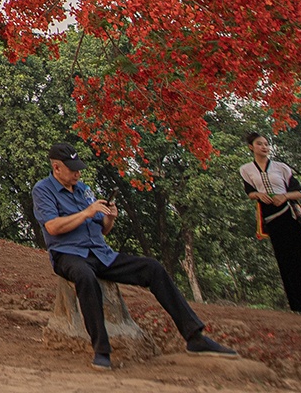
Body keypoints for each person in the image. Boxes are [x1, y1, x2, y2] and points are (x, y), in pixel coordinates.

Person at [34, 142, 237, 369]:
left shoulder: (83, 189)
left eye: (79, 168)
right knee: (85, 277)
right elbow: (52, 227)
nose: (78, 173)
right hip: (69, 255)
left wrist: (109, 217)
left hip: (102, 254)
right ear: (56, 167)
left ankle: (194, 337)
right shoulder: (43, 190)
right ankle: (101, 350)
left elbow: (102, 229)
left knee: (153, 268)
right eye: (72, 169)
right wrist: (87, 212)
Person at [242, 132, 301, 315]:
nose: (264, 147)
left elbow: (300, 192)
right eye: (259, 144)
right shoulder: (246, 170)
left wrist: (284, 196)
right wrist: (258, 195)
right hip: (270, 214)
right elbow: (250, 192)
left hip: (288, 212)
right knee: (285, 259)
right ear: (251, 147)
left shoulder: (281, 167)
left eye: (266, 144)